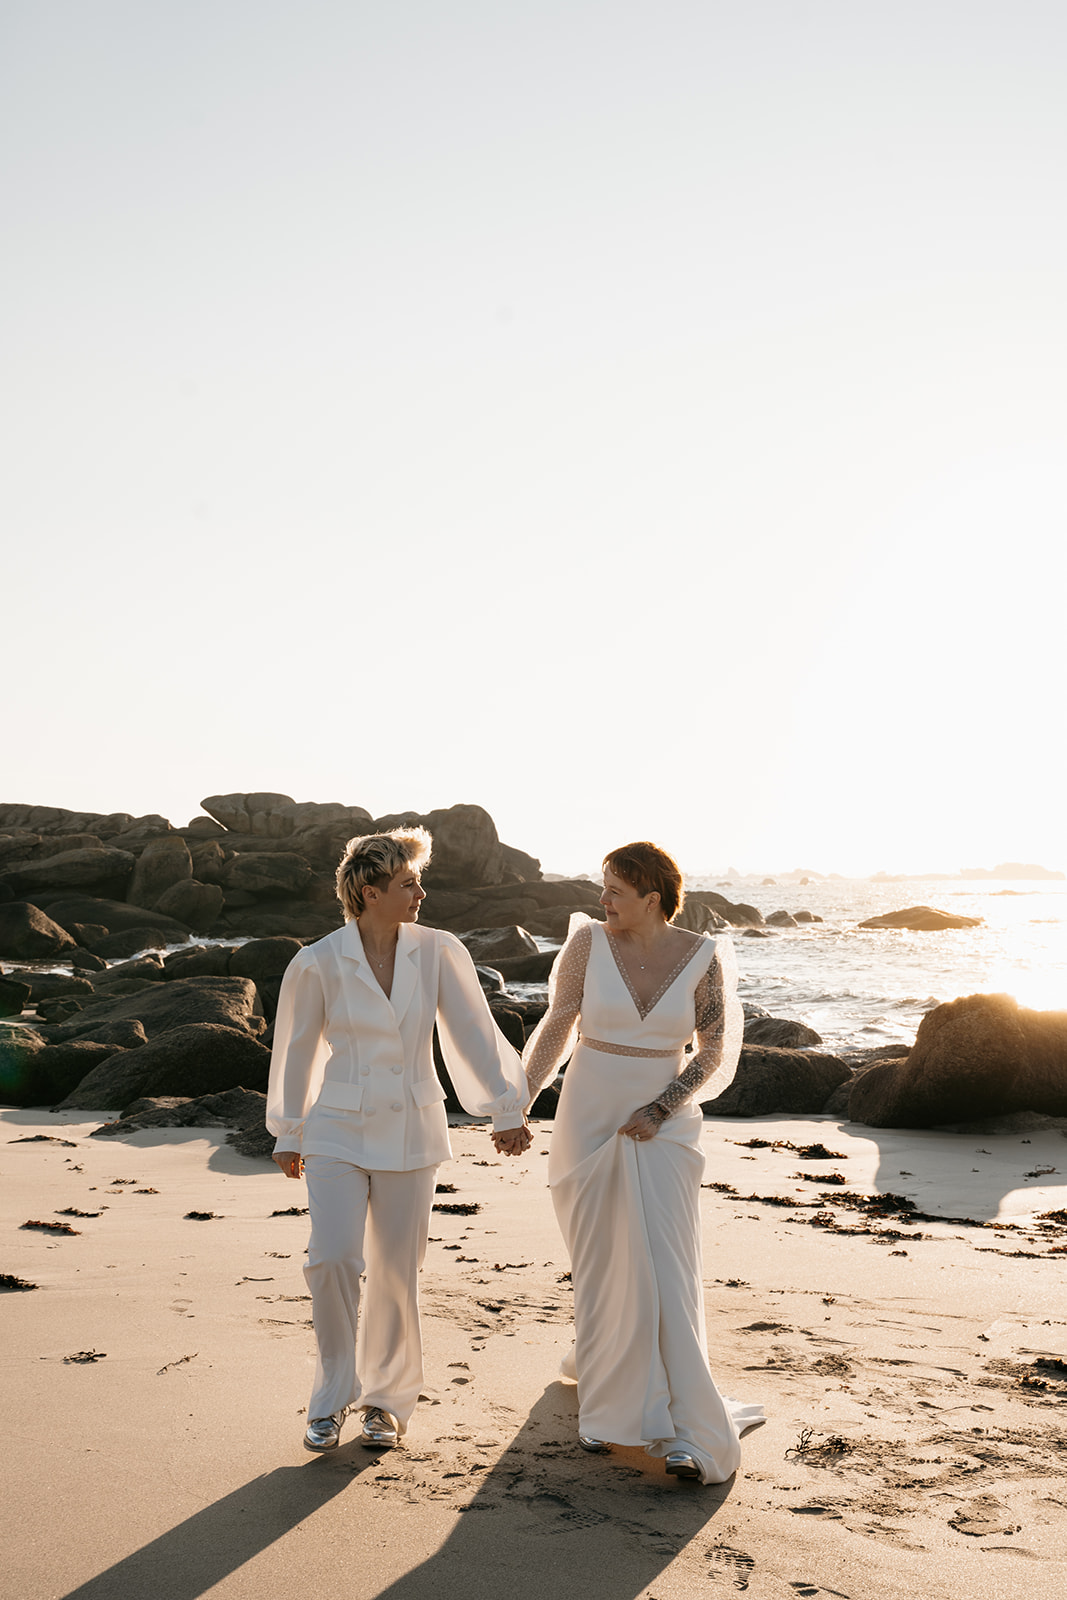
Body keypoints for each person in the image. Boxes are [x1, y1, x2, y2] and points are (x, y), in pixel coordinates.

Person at [267, 826, 531, 1453]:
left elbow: (472, 1031)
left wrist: (505, 1108)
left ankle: (385, 1404)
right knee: (330, 1259)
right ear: (368, 889)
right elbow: (296, 1049)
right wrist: (288, 1126)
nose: (421, 892)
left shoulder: (439, 951)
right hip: (335, 1126)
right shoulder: (318, 960)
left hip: (413, 1126)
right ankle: (330, 1399)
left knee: (395, 1272)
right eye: (409, 883)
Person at [522, 841, 764, 1484]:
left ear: (651, 897)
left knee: (664, 1265)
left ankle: (688, 1426)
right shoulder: (586, 943)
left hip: (663, 1127)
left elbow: (712, 1053)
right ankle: (608, 1409)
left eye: (613, 891)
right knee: (601, 1261)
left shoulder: (703, 958)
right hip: (587, 1115)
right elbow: (557, 1025)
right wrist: (517, 1101)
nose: (601, 901)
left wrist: (661, 1108)